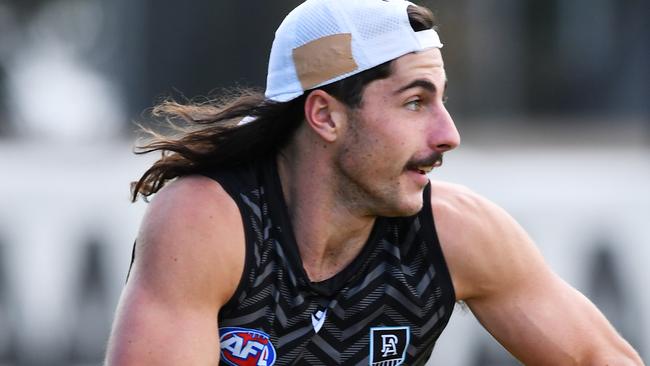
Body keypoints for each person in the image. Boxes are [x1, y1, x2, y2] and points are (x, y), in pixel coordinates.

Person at [105, 0, 644, 365]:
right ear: (325, 116)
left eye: (442, 98)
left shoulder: (456, 231)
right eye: (415, 102)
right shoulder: (206, 221)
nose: (448, 134)